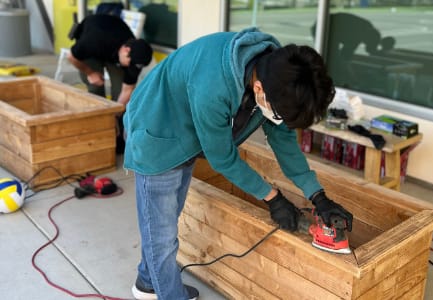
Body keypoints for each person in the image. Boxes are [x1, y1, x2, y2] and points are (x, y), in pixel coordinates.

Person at [123, 28, 354, 300]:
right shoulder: (214, 85)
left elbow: (283, 140)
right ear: (258, 88)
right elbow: (222, 158)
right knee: (161, 235)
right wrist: (273, 198)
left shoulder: (277, 70)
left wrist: (318, 195)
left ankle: (147, 282)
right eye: (279, 114)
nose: (277, 120)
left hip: (187, 130)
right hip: (157, 133)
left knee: (163, 220)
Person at [67, 13, 153, 153]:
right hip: (91, 51)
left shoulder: (136, 56)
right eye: (129, 64)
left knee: (120, 94)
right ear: (126, 51)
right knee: (96, 87)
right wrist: (90, 73)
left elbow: (127, 90)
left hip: (113, 51)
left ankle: (117, 134)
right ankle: (99, 130)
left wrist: (114, 114)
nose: (130, 68)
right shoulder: (92, 41)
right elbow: (71, 57)